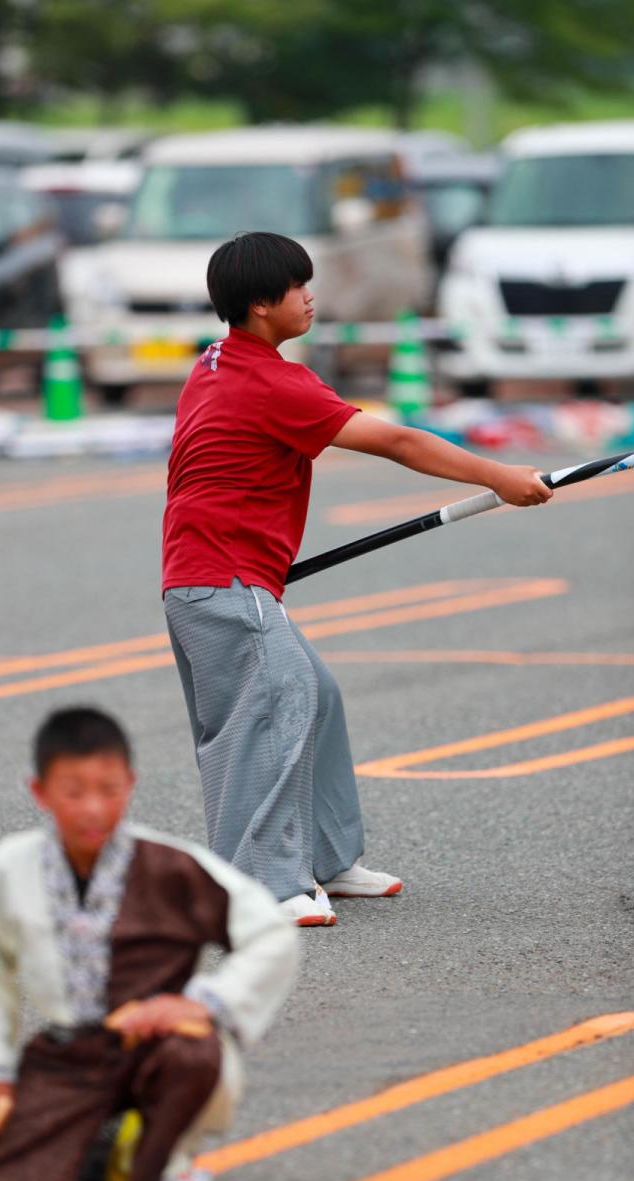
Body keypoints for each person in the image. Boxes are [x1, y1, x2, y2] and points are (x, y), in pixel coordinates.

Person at [162, 231, 553, 929]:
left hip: (220, 575)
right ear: (261, 304)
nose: (310, 297)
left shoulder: (218, 360)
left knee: (314, 698)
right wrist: (499, 476)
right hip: (223, 578)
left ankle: (326, 860)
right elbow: (396, 440)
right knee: (269, 712)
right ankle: (263, 885)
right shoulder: (271, 381)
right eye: (297, 287)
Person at [0, 706, 299, 1181]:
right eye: (74, 793)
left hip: (157, 1051)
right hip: (68, 1061)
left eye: (109, 790)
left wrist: (203, 1003)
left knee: (194, 1053)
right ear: (40, 792)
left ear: (130, 785)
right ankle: (106, 1150)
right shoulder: (9, 869)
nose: (93, 809)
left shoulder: (170, 867)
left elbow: (271, 932)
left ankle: (166, 1163)